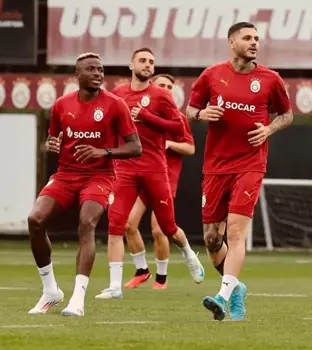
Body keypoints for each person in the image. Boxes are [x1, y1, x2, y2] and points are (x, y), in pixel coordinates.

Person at [185, 21, 293, 321]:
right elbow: (189, 111)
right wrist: (202, 113)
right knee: (210, 239)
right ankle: (237, 288)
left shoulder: (270, 79)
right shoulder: (212, 75)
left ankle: (222, 295)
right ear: (231, 41)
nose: (254, 42)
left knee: (235, 232)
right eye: (247, 37)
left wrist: (269, 129)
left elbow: (287, 114)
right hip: (216, 167)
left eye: (257, 38)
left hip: (250, 164)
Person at [27, 53, 142, 316]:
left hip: (99, 176)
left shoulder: (115, 105)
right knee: (35, 219)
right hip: (66, 174)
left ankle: (77, 299)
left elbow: (136, 147)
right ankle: (50, 291)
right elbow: (52, 139)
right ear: (77, 75)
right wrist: (50, 144)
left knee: (87, 222)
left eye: (100, 69)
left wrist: (105, 152)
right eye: (90, 69)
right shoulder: (61, 105)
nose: (98, 73)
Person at [96, 48, 205, 299]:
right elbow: (108, 124)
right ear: (131, 64)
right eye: (143, 61)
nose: (147, 65)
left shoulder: (161, 96)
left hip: (155, 168)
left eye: (151, 62)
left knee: (166, 227)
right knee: (117, 223)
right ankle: (115, 285)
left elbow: (178, 126)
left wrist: (146, 116)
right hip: (126, 168)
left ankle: (189, 254)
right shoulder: (119, 94)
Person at [124, 74, 196, 290]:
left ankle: (162, 278)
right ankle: (141, 270)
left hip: (165, 178)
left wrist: (170, 144)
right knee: (129, 224)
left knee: (159, 229)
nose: (165, 89)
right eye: (161, 85)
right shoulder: (140, 116)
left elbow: (190, 148)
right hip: (143, 174)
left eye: (169, 86)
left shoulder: (177, 118)